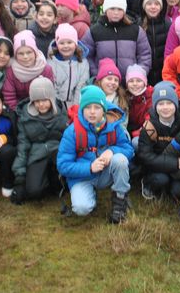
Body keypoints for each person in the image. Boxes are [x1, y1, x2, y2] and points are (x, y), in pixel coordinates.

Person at [56, 85, 133, 223]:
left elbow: (128, 149)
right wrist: (90, 168)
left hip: (105, 173)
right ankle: (90, 195)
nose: (92, 112)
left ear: (104, 109)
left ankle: (120, 201)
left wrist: (112, 151)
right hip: (82, 177)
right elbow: (63, 165)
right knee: (81, 209)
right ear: (82, 109)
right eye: (87, 107)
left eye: (97, 107)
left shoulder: (113, 126)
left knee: (120, 160)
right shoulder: (72, 131)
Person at [11, 77, 69, 204]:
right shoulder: (25, 117)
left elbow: (68, 139)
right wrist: (20, 179)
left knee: (61, 187)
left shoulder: (61, 112)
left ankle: (57, 180)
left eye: (44, 100)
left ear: (51, 99)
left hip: (57, 153)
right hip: (37, 155)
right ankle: (42, 180)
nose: (41, 104)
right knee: (34, 192)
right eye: (36, 101)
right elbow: (23, 146)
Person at [81, 0, 151, 79]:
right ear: (106, 9)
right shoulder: (94, 31)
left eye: (119, 9)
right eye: (112, 8)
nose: (116, 13)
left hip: (131, 83)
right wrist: (97, 75)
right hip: (104, 83)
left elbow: (144, 55)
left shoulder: (136, 31)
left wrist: (137, 76)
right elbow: (86, 56)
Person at [135, 81, 180, 200]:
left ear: (176, 104)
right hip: (157, 167)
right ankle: (147, 184)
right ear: (155, 106)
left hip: (179, 167)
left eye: (169, 103)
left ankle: (169, 189)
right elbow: (146, 157)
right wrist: (173, 163)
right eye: (161, 104)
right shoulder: (149, 127)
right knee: (161, 180)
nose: (165, 107)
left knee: (178, 191)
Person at [2, 30, 55, 110]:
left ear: (35, 52)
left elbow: (49, 94)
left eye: (29, 52)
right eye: (21, 53)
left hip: (41, 107)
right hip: (19, 109)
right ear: (15, 55)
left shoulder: (45, 69)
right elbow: (9, 96)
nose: (25, 57)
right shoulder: (11, 71)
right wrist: (19, 112)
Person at [48, 24, 89, 109]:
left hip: (75, 104)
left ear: (75, 44)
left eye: (69, 42)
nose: (66, 46)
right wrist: (58, 107)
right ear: (57, 45)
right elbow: (52, 88)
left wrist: (75, 107)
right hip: (57, 105)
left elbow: (81, 86)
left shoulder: (83, 63)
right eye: (61, 43)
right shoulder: (51, 63)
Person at [137, 0, 170, 86]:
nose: (153, 7)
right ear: (143, 7)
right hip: (145, 74)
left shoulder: (167, 24)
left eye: (156, 4)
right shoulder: (138, 25)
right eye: (149, 4)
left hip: (163, 73)